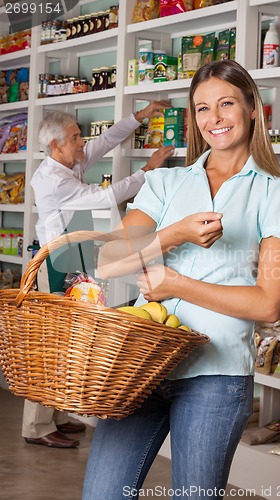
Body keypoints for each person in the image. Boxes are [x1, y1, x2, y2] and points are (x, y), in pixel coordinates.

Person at [82, 60, 280, 499]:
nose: (214, 119)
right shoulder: (165, 182)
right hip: (141, 365)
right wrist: (175, 233)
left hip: (216, 377)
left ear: (252, 108)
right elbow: (109, 260)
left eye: (226, 104)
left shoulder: (276, 193)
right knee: (102, 495)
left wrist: (176, 285)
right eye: (202, 108)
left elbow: (267, 305)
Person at [22, 101, 175, 449]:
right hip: (54, 262)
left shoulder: (68, 161)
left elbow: (105, 141)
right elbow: (107, 197)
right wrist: (149, 170)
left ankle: (58, 415)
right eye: (76, 137)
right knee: (52, 344)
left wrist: (141, 116)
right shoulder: (51, 180)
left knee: (70, 341)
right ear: (56, 146)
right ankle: (37, 426)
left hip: (73, 257)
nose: (83, 142)